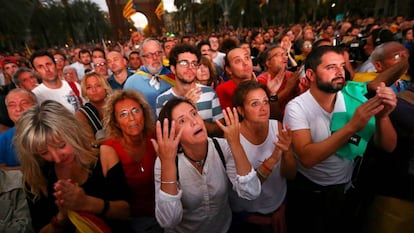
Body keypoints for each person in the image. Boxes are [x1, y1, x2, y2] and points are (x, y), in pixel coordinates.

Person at [283, 46, 397, 233]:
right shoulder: (297, 108)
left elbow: (388, 146)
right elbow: (307, 158)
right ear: (311, 75)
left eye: (342, 66)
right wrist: (352, 126)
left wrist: (383, 116)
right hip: (310, 193)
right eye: (330, 67)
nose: (340, 72)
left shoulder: (353, 98)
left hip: (345, 190)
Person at [14, 100, 133, 232]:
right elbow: (41, 229)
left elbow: (125, 212)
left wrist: (86, 203)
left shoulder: (104, 155)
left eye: (61, 146)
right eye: (44, 152)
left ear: (73, 133)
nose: (57, 158)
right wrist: (62, 216)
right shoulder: (35, 177)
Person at [151, 98, 261, 233]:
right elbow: (168, 221)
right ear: (173, 134)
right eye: (182, 121)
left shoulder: (222, 147)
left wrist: (235, 144)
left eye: (194, 113)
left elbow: (252, 192)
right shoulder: (166, 161)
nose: (194, 121)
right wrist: (167, 164)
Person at [228, 81, 296, 233]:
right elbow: (249, 189)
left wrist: (287, 152)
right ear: (241, 110)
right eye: (254, 104)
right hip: (250, 214)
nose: (263, 108)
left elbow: (290, 175)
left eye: (265, 101)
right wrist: (274, 157)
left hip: (279, 204)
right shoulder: (232, 139)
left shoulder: (276, 126)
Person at [100, 90, 162, 233]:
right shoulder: (108, 149)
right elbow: (114, 199)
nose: (132, 118)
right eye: (123, 114)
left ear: (144, 113)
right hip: (133, 222)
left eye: (135, 111)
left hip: (166, 213)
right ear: (115, 122)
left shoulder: (156, 137)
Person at [156, 44, 223, 137]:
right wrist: (185, 105)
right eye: (184, 63)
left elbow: (219, 129)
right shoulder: (162, 100)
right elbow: (167, 136)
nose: (190, 67)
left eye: (194, 63)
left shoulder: (209, 93)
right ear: (173, 69)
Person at [124, 38, 175, 116]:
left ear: (163, 55)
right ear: (142, 58)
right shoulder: (131, 83)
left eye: (158, 53)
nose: (155, 58)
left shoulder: (174, 77)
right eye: (149, 55)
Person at [257, 45, 300, 120]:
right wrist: (287, 89)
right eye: (280, 55)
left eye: (285, 54)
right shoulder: (261, 80)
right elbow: (267, 108)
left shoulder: (291, 76)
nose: (285, 57)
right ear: (268, 63)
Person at [0, 89, 37, 170]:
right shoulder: (2, 140)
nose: (18, 109)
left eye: (24, 103)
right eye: (12, 105)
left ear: (35, 105)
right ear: (7, 109)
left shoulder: (53, 131)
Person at [75, 72, 112, 140]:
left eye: (98, 85)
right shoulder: (81, 115)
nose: (94, 90)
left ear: (105, 87)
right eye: (89, 87)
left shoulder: (115, 106)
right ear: (85, 91)